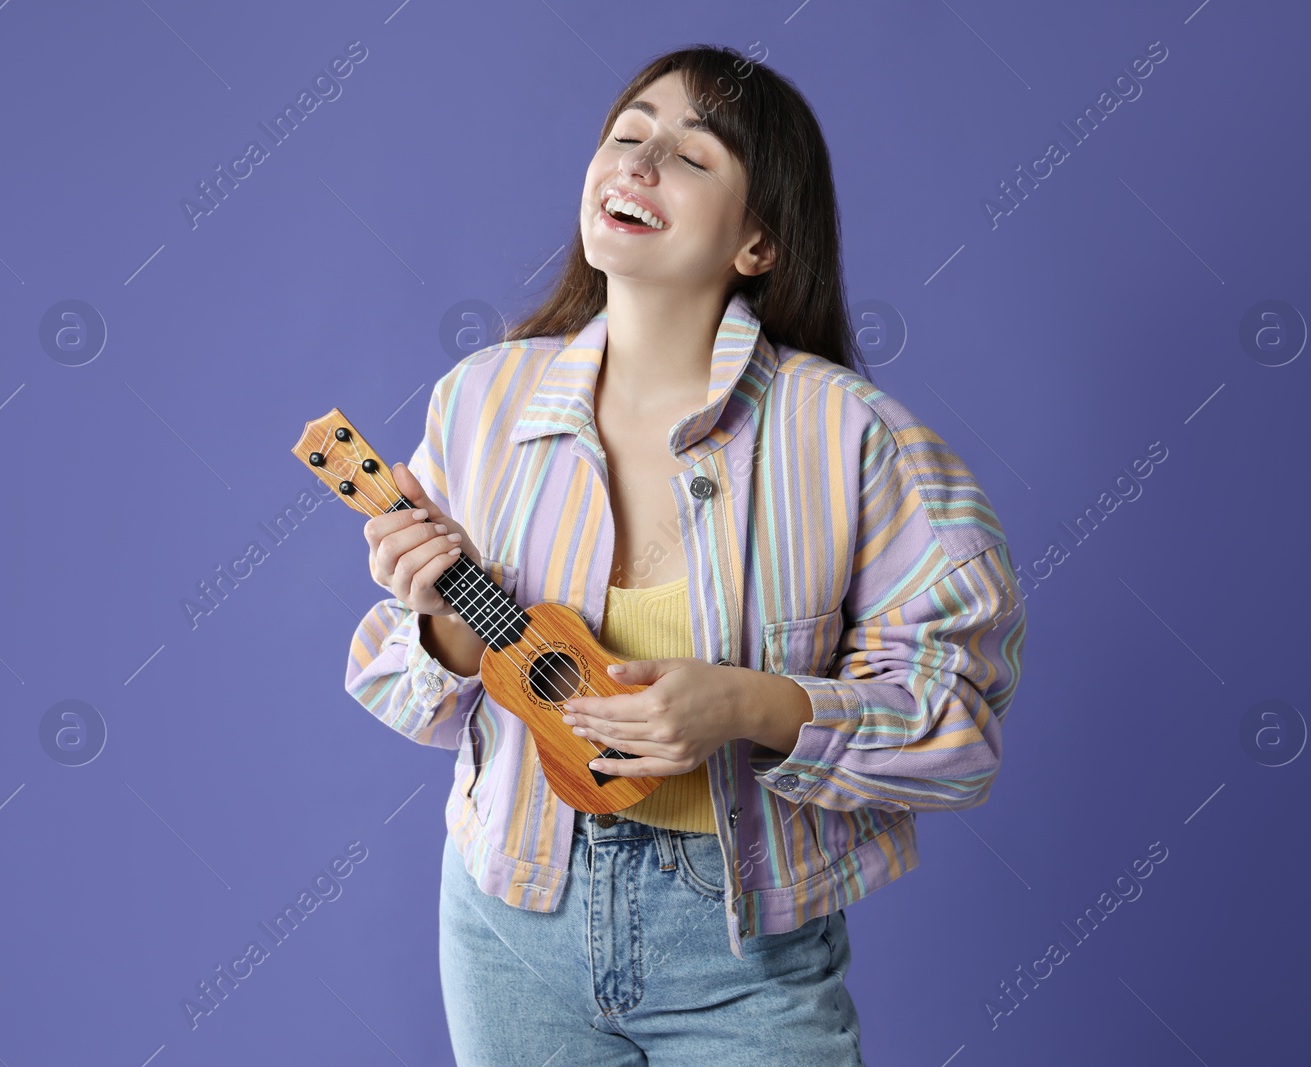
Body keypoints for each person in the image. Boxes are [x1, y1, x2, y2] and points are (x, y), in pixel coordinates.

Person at [346, 44, 1026, 1066]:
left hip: (743, 947)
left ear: (757, 239)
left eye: (690, 154)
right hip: (507, 922)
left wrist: (748, 705)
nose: (640, 159)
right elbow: (421, 693)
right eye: (627, 133)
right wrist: (438, 620)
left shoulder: (852, 438)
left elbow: (958, 722)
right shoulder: (480, 401)